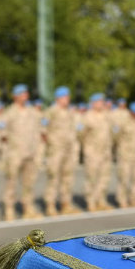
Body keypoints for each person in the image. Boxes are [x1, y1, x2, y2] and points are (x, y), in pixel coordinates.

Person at [1, 84, 43, 220]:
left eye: (25, 93)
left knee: (29, 182)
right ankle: (9, 209)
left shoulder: (33, 112)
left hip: (30, 153)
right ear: (15, 96)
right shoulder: (9, 112)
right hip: (15, 154)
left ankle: (28, 208)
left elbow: (39, 130)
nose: (24, 96)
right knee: (11, 182)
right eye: (21, 94)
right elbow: (3, 134)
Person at [42, 86, 80, 215]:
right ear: (58, 98)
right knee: (53, 177)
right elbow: (43, 130)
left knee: (67, 177)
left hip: (68, 150)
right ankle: (50, 205)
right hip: (56, 150)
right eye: (65, 97)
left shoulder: (70, 112)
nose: (67, 99)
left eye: (68, 97)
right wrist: (51, 145)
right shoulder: (51, 111)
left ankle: (65, 204)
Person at [80, 93, 112, 211]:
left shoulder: (106, 115)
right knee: (91, 178)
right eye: (98, 101)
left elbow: (112, 132)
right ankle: (91, 202)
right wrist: (87, 148)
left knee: (104, 177)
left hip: (105, 152)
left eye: (102, 101)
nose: (101, 103)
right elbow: (81, 134)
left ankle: (101, 200)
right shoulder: (87, 116)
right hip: (93, 152)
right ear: (92, 103)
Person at [115, 101, 135, 208]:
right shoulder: (123, 122)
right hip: (125, 155)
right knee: (124, 178)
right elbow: (116, 137)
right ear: (132, 112)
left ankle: (134, 199)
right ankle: (122, 200)